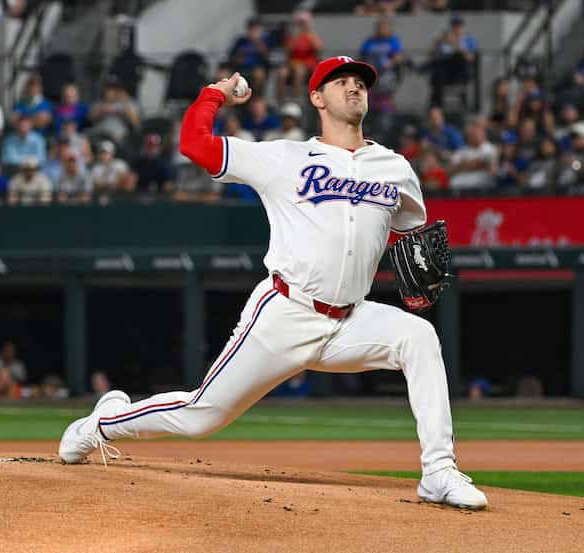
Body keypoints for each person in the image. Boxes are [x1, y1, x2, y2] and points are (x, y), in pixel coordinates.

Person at [59, 56, 488, 511]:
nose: (353, 88)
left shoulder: (395, 168)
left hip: (350, 320)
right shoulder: (285, 157)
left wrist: (413, 251)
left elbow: (409, 230)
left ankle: (438, 472)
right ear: (317, 98)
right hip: (286, 312)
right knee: (201, 415)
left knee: (418, 336)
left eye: (360, 82)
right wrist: (216, 94)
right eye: (341, 82)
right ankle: (102, 424)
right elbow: (195, 144)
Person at [276, 10, 322, 101]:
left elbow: (318, 50)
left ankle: (298, 99)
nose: (301, 26)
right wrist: (296, 37)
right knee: (281, 73)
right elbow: (288, 51)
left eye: (303, 23)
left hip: (307, 64)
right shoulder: (293, 36)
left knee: (299, 72)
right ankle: (280, 100)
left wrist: (309, 36)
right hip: (292, 63)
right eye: (299, 23)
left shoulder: (312, 36)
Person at [448, 123, 498, 192]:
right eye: (473, 135)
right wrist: (468, 164)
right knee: (453, 181)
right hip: (466, 176)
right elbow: (450, 170)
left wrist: (464, 164)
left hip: (482, 176)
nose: (475, 136)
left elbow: (486, 165)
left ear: (483, 135)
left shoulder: (490, 148)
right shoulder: (462, 150)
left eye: (478, 134)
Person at [227, 17, 270, 97]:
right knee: (223, 74)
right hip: (239, 68)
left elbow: (267, 57)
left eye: (255, 29)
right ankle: (229, 98)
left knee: (259, 74)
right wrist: (238, 58)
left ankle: (256, 97)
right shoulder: (241, 41)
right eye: (251, 28)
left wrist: (258, 42)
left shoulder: (265, 40)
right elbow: (231, 56)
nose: (253, 31)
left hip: (256, 67)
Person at [89, 77, 140, 144]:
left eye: (114, 88)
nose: (111, 91)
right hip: (99, 132)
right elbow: (90, 119)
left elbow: (135, 122)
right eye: (108, 88)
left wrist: (125, 102)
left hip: (117, 135)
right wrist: (104, 105)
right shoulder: (99, 102)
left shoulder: (129, 103)